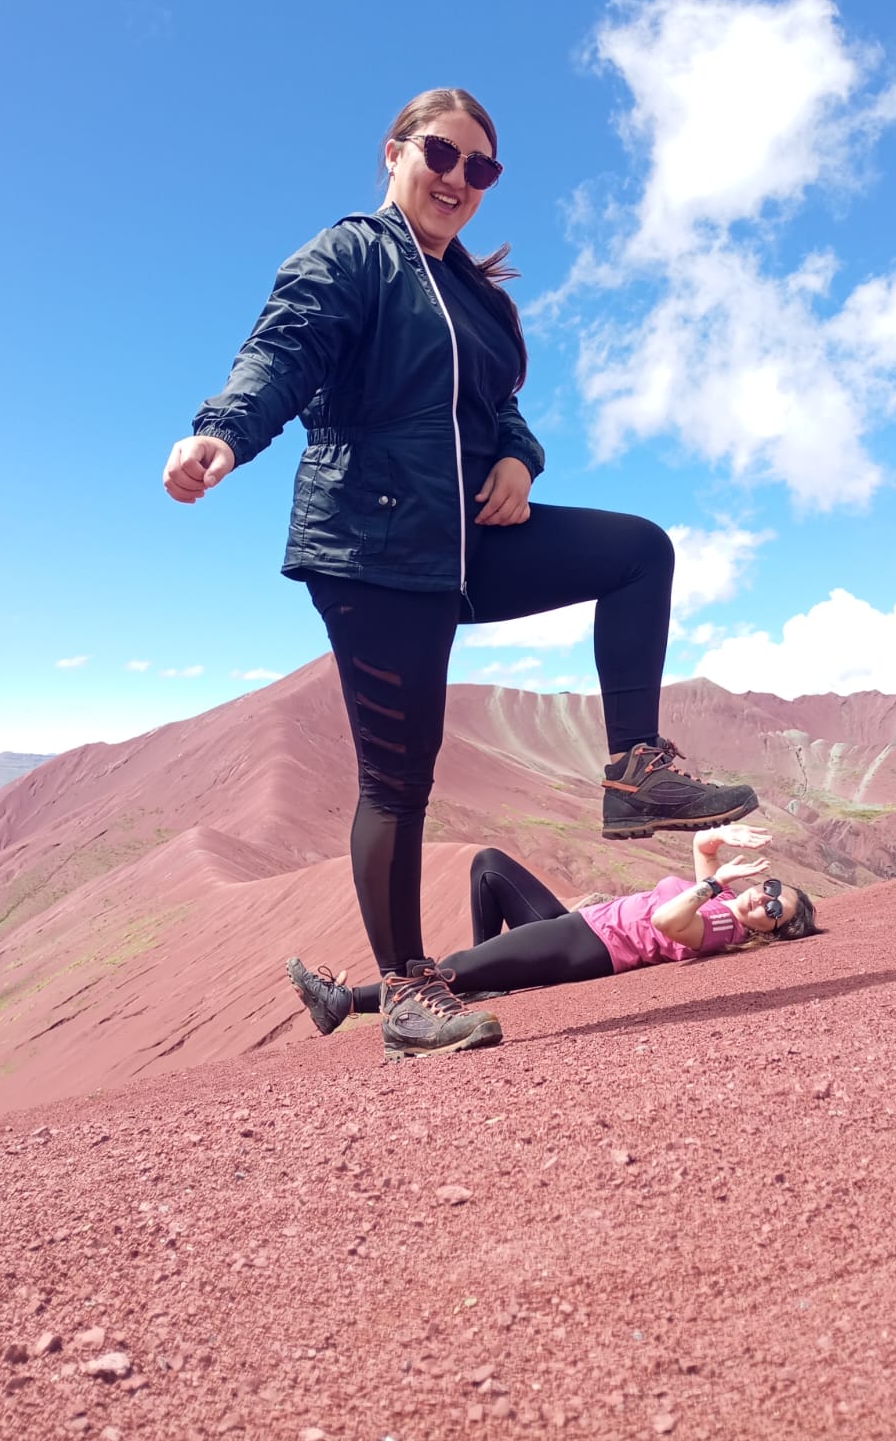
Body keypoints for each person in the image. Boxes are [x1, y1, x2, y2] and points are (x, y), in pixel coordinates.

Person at [163, 87, 758, 1062]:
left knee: (638, 551)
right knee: (399, 777)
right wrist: (222, 432)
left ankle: (635, 770)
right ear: (395, 152)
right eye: (441, 155)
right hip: (373, 544)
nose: (459, 179)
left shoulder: (477, 298)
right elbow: (283, 352)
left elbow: (500, 410)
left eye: (480, 168)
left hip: (466, 540)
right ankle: (405, 990)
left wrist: (520, 459)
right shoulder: (351, 254)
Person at [286, 825, 820, 1058]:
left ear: (770, 933)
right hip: (582, 924)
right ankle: (485, 979)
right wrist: (721, 840)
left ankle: (342, 1003)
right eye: (773, 889)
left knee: (454, 966)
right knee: (488, 866)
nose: (766, 900)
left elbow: (666, 921)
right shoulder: (726, 905)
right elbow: (703, 849)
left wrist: (716, 884)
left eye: (777, 911)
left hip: (590, 946)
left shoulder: (726, 926)